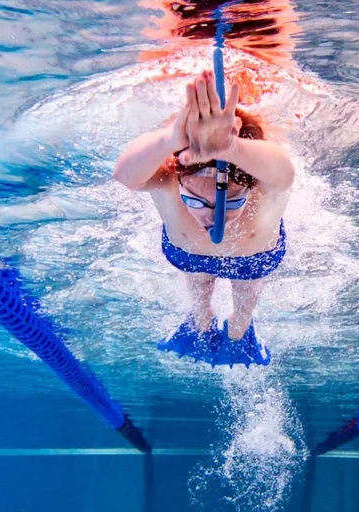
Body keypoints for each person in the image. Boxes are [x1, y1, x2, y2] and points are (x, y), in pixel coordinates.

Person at [113, 67, 294, 366]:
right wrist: (168, 142)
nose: (214, 218)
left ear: (250, 185)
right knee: (199, 291)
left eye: (231, 200)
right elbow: (124, 175)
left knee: (245, 297)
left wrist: (233, 149)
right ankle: (200, 321)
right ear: (180, 180)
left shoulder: (263, 182)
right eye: (194, 200)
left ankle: (240, 332)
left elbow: (284, 171)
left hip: (252, 259)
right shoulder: (169, 177)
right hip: (189, 256)